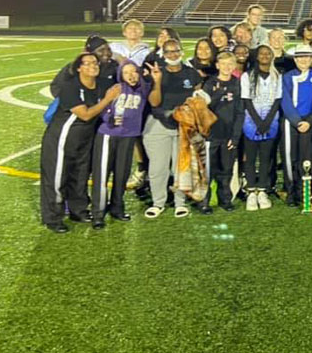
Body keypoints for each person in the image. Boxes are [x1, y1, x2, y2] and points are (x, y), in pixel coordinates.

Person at [40, 53, 121, 233]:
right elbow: (85, 115)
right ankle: (53, 217)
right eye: (88, 63)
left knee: (80, 175)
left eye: (95, 62)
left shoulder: (101, 84)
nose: (93, 65)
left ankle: (78, 210)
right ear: (79, 68)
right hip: (62, 138)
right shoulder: (70, 87)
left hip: (85, 139)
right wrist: (108, 99)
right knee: (56, 177)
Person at [143, 39, 204, 219]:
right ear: (163, 54)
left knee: (182, 167)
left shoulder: (191, 74)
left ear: (181, 51)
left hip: (184, 125)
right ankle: (158, 202)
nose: (172, 55)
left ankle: (180, 202)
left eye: (175, 51)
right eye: (168, 52)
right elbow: (154, 102)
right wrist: (157, 81)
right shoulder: (157, 72)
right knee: (158, 167)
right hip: (158, 124)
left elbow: (198, 99)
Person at [91, 59, 151, 228]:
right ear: (120, 75)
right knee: (102, 174)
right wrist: (107, 117)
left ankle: (117, 207)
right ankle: (98, 212)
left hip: (129, 136)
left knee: (121, 174)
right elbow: (103, 106)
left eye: (134, 72)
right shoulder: (116, 88)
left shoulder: (144, 89)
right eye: (126, 73)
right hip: (108, 135)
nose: (131, 76)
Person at [198, 51, 244, 214]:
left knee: (227, 169)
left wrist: (235, 136)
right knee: (208, 170)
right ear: (217, 65)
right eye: (223, 64)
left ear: (234, 66)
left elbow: (240, 111)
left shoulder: (237, 83)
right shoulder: (209, 83)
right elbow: (203, 110)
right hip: (211, 135)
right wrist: (218, 93)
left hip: (228, 135)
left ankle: (225, 199)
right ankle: (204, 201)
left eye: (230, 64)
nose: (227, 67)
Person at [281, 45, 312, 205]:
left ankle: (303, 191)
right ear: (295, 59)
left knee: (305, 158)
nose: (303, 60)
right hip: (291, 122)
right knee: (289, 157)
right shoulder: (287, 77)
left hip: (308, 122)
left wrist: (310, 120)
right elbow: (285, 101)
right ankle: (291, 191)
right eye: (300, 57)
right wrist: (297, 121)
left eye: (307, 57)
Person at [241, 44, 283, 211]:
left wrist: (267, 121)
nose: (265, 56)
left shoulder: (277, 76)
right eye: (262, 53)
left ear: (272, 56)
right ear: (257, 57)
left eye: (268, 53)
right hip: (251, 123)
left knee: (266, 158)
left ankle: (262, 190)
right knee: (250, 158)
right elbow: (247, 100)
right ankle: (251, 190)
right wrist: (259, 122)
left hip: (271, 122)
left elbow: (277, 101)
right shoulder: (247, 76)